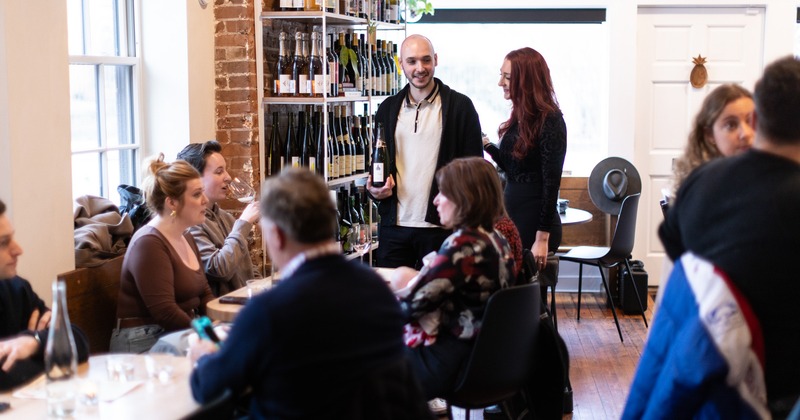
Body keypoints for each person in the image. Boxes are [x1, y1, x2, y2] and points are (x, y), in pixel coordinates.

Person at [188, 168, 432, 419]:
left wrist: (203, 355)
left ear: (278, 237)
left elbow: (209, 389)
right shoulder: (377, 288)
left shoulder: (268, 311)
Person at [657, 56, 800, 418]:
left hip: (702, 378)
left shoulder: (699, 185)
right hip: (776, 394)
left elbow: (678, 267)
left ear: (757, 119)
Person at [391, 157, 515, 399]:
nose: (435, 200)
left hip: (455, 362)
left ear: (464, 198)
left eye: (443, 193)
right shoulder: (498, 239)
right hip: (492, 359)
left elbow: (411, 307)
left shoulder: (464, 247)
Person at [367, 34, 483, 270]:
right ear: (401, 64)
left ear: (436, 60)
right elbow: (378, 164)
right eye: (411, 61)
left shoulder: (460, 107)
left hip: (441, 228)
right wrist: (374, 191)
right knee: (394, 302)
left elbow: (476, 170)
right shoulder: (387, 108)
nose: (420, 68)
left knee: (439, 302)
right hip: (394, 227)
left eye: (426, 60)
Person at [110, 155, 215, 354]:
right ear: (172, 203)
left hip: (176, 334)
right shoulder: (149, 243)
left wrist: (221, 326)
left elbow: (205, 294)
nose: (205, 200)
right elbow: (165, 312)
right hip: (143, 342)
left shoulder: (187, 237)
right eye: (196, 194)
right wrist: (210, 336)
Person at [483, 47, 566, 275]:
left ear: (526, 80)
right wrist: (488, 145)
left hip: (534, 223)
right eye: (501, 75)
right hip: (514, 217)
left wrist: (542, 237)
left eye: (507, 77)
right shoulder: (521, 118)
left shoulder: (551, 120)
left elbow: (551, 184)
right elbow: (514, 168)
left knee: (528, 299)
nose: (501, 82)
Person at [0, 199, 89, 390]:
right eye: (4, 243)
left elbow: (77, 342)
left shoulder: (16, 288)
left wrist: (34, 341)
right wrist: (48, 352)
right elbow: (5, 379)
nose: (18, 250)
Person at [177, 141, 260, 296]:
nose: (228, 177)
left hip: (244, 304)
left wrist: (261, 289)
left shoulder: (226, 218)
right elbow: (218, 269)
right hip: (220, 311)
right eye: (219, 171)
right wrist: (243, 224)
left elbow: (248, 268)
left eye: (225, 170)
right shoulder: (189, 225)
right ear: (195, 179)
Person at [671, 83, 754, 194]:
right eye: (731, 125)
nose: (745, 133)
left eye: (751, 122)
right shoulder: (702, 188)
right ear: (710, 134)